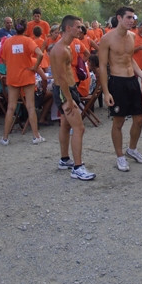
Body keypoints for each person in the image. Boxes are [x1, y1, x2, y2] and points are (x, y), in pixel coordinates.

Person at [98, 6, 142, 172]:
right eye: (128, 17)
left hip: (132, 81)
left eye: (133, 18)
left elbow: (130, 59)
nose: (132, 20)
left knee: (139, 120)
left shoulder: (132, 36)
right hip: (117, 82)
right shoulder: (107, 39)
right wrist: (106, 92)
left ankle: (132, 149)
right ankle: (120, 156)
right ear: (119, 18)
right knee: (118, 122)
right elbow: (102, 66)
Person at [49, 15, 96, 181]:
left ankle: (64, 159)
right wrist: (69, 100)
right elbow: (61, 78)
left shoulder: (66, 47)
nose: (80, 29)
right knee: (79, 128)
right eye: (78, 26)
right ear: (68, 28)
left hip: (69, 88)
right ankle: (77, 167)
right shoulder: (61, 49)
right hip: (65, 91)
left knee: (65, 124)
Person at [0, 19, 45, 146]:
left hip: (12, 76)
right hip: (27, 76)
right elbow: (40, 54)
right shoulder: (28, 41)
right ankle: (36, 136)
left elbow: (3, 59)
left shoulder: (7, 42)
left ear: (15, 28)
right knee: (30, 106)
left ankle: (5, 138)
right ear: (26, 29)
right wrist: (35, 67)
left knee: (11, 107)